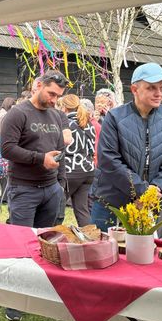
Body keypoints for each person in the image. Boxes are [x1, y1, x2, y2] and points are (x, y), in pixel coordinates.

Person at [77, 63, 162, 321]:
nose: (158, 93)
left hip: (149, 204)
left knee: (139, 265)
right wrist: (140, 188)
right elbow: (109, 158)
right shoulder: (115, 117)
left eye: (161, 88)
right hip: (110, 199)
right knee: (98, 259)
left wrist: (156, 189)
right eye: (151, 88)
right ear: (135, 89)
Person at [0, 70, 68, 321]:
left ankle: (36, 292)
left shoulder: (57, 115)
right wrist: (40, 159)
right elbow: (6, 149)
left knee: (44, 245)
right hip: (24, 188)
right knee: (20, 247)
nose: (54, 100)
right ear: (38, 85)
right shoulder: (17, 113)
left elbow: (59, 150)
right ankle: (14, 301)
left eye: (58, 96)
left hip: (51, 189)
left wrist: (59, 183)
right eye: (51, 93)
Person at [58, 94, 100, 226]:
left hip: (70, 170)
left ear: (64, 107)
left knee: (56, 208)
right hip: (87, 171)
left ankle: (49, 238)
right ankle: (90, 240)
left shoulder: (65, 124)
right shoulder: (88, 123)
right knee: (82, 210)